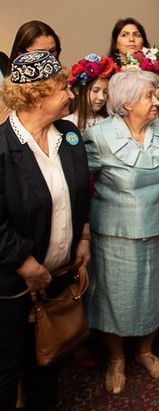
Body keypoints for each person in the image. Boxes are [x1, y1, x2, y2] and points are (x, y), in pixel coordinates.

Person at [0, 51, 90, 410]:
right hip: (13, 285)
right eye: (62, 88)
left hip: (56, 276)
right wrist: (26, 264)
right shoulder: (3, 147)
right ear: (37, 96)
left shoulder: (68, 134)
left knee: (48, 359)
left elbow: (81, 191)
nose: (70, 94)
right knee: (7, 366)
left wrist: (83, 236)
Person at [84, 71, 159, 395]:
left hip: (157, 226)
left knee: (154, 292)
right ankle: (117, 358)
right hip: (115, 233)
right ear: (128, 103)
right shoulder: (99, 137)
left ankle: (145, 351)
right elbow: (79, 184)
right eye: (149, 96)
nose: (156, 101)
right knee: (115, 297)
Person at [65, 54, 118, 133]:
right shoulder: (66, 123)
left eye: (105, 92)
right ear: (77, 90)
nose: (101, 97)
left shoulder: (108, 124)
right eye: (95, 91)